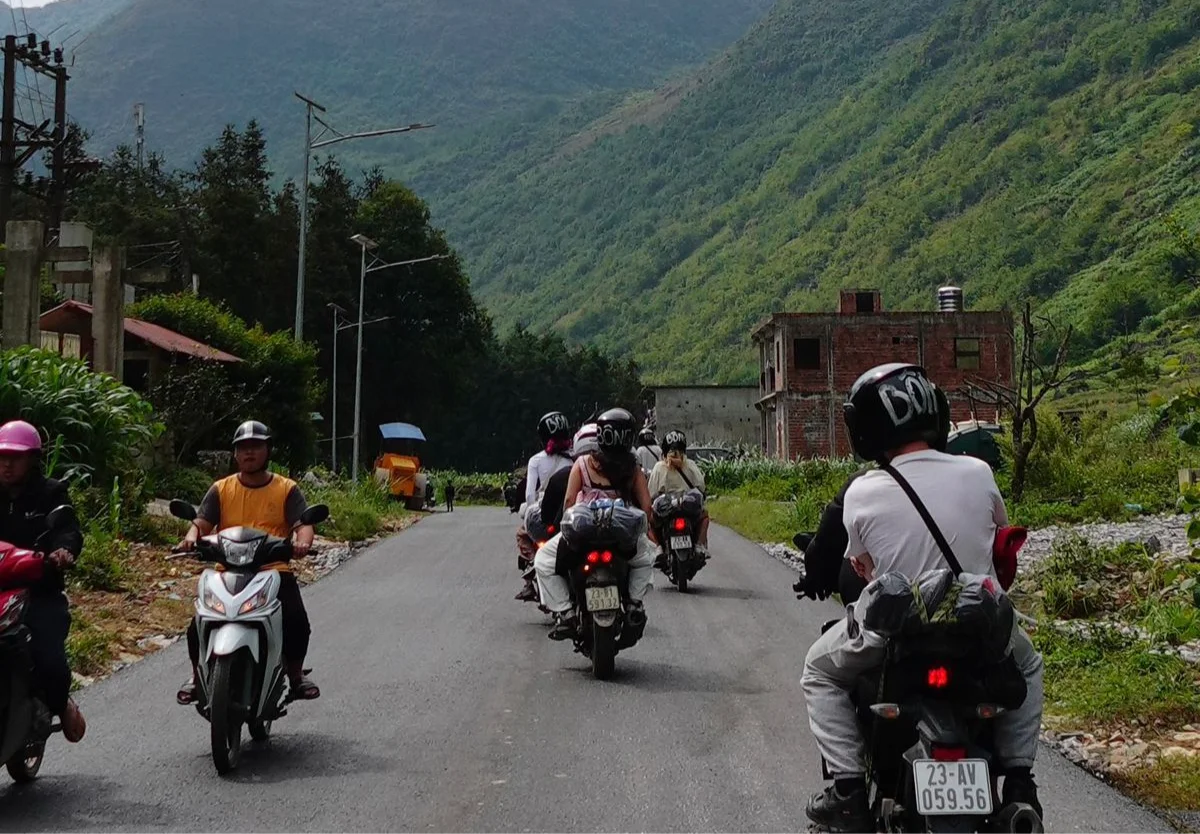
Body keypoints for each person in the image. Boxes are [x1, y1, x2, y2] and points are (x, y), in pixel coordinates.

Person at [800, 364, 1044, 831]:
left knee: (818, 671)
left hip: (896, 635)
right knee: (1029, 665)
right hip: (976, 629)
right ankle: (1018, 783)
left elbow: (863, 568)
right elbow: (992, 539)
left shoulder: (863, 491)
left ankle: (848, 787)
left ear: (866, 428)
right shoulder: (978, 471)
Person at [176, 421, 321, 704]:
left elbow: (302, 524)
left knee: (296, 619)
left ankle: (295, 676)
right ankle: (196, 676)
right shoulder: (221, 489)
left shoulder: (286, 488)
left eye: (256, 446)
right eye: (243, 448)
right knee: (197, 624)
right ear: (235, 454)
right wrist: (191, 537)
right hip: (227, 569)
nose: (249, 453)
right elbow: (201, 523)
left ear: (268, 451)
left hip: (273, 569)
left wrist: (303, 543)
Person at [533, 408, 657, 640]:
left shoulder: (583, 464)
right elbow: (647, 507)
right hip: (621, 538)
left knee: (543, 562)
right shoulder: (633, 468)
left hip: (583, 534)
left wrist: (566, 528)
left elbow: (569, 502)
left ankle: (565, 612)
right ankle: (633, 604)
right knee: (646, 559)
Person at [0, 420, 86, 742]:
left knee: (50, 660)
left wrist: (63, 551)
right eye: (2, 456)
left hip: (38, 593)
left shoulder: (50, 493)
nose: (7, 464)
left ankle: (61, 704)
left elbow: (67, 528)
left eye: (16, 457)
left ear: (33, 459)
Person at [515, 423, 599, 603]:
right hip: (598, 523)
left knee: (531, 543)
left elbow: (532, 496)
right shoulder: (614, 469)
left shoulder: (542, 463)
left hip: (559, 517)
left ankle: (532, 578)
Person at [647, 430, 710, 563]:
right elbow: (701, 486)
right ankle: (699, 546)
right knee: (704, 517)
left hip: (666, 511)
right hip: (688, 507)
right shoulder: (691, 465)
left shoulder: (658, 467)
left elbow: (652, 493)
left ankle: (658, 548)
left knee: (648, 523)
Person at [523, 411, 574, 512]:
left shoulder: (535, 460)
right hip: (570, 512)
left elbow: (530, 496)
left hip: (546, 512)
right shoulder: (576, 457)